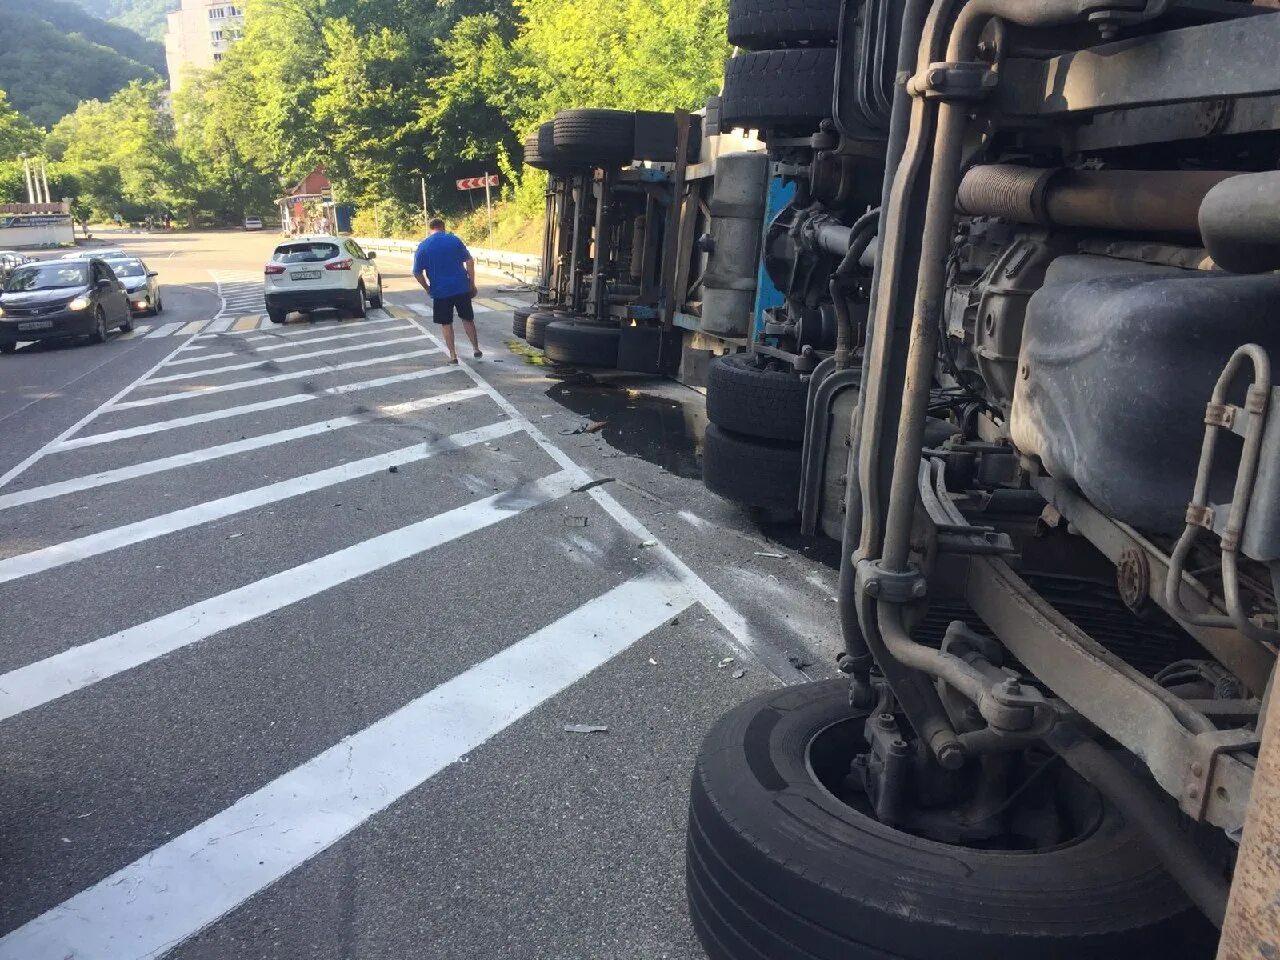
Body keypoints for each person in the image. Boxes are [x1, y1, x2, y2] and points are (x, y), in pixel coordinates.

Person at [412, 217, 481, 363]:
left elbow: (417, 273)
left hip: (440, 291)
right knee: (467, 319)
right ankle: (475, 348)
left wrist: (427, 288)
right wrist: (472, 283)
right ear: (443, 226)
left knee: (446, 323)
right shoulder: (454, 240)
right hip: (461, 287)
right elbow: (469, 261)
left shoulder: (423, 246)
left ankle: (453, 355)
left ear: (430, 229)